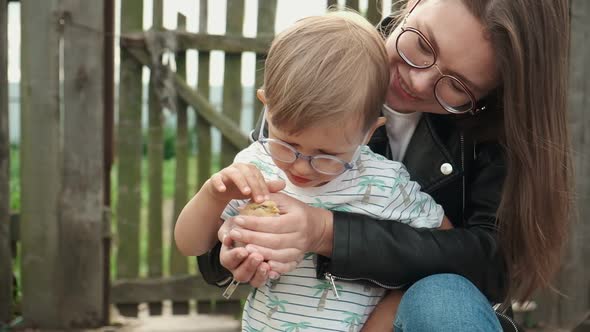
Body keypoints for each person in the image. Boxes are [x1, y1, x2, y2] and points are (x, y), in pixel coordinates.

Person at [199, 0, 573, 331]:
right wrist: (239, 250)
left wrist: (328, 232)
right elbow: (218, 244)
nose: (418, 79)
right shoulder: (323, 69)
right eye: (422, 44)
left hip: (427, 313)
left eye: (457, 85)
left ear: (492, 95)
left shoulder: (496, 132)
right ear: (412, 3)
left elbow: (492, 264)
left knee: (439, 296)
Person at [176, 11, 453, 330]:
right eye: (287, 144)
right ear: (267, 107)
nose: (300, 166)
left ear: (367, 133)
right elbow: (190, 244)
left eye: (326, 155)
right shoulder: (256, 166)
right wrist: (213, 196)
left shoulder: (386, 184)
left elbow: (443, 247)